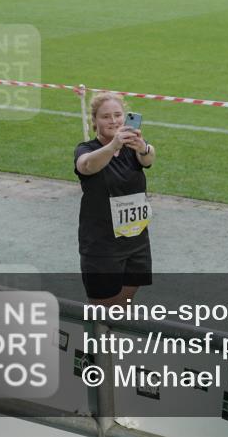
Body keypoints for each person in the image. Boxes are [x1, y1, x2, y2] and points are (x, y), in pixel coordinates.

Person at [74, 92, 156, 305]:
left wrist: (144, 148)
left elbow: (149, 159)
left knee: (123, 308)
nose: (113, 121)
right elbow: (86, 165)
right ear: (95, 121)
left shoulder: (132, 147)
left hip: (135, 240)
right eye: (106, 116)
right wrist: (113, 146)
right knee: (102, 311)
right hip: (102, 245)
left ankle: (113, 336)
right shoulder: (87, 149)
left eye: (118, 115)